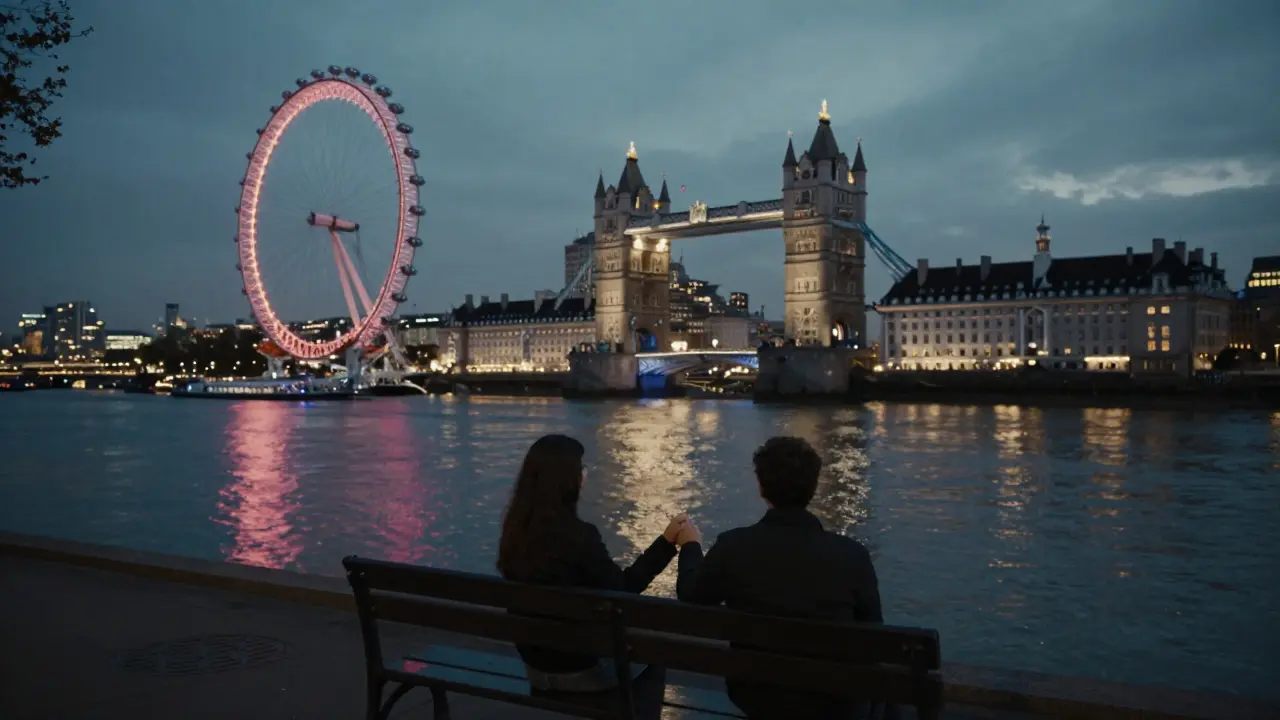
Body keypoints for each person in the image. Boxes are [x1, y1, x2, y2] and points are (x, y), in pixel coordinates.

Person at [674, 436, 883, 720]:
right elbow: (875, 639)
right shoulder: (852, 556)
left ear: (762, 488)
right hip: (834, 703)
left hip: (756, 696)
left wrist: (690, 545)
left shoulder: (733, 546)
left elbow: (691, 594)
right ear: (814, 487)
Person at [497, 433, 689, 693]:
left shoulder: (514, 533)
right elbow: (622, 591)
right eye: (582, 468)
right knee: (653, 651)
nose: (585, 475)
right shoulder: (579, 536)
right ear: (568, 480)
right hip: (583, 672)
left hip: (535, 669)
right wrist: (666, 544)